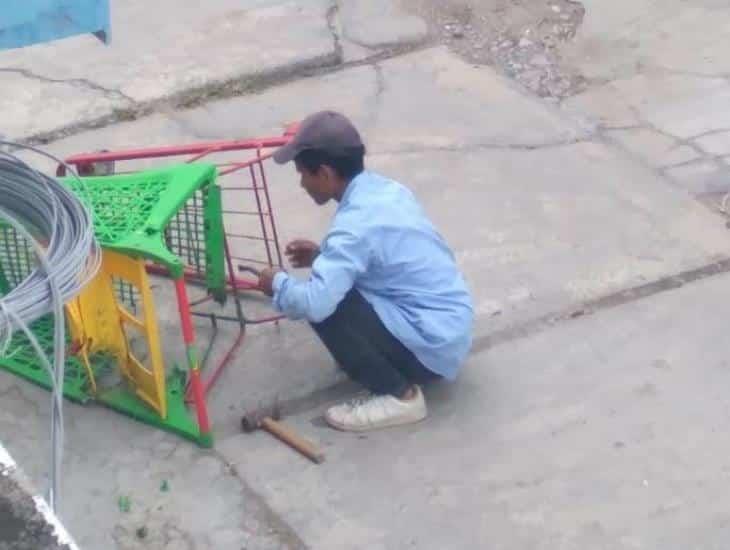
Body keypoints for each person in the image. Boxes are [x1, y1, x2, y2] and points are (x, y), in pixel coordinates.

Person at [257, 111, 473, 432]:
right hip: (450, 329)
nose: (301, 183)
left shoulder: (352, 228)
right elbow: (378, 257)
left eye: (303, 174)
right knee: (333, 286)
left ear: (326, 174)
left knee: (323, 305)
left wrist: (276, 284)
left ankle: (400, 395)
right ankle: (384, 360)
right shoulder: (386, 191)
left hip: (430, 349)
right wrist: (321, 256)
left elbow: (316, 302)